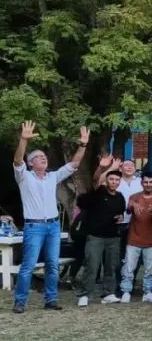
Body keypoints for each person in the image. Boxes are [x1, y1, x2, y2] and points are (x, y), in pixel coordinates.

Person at [11, 122, 89, 313]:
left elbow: (74, 164)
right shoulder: (24, 177)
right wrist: (24, 140)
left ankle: (51, 300)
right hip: (34, 227)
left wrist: (83, 145)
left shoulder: (53, 176)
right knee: (28, 266)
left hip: (53, 227)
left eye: (44, 156)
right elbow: (17, 160)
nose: (43, 158)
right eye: (38, 157)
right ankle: (20, 302)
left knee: (52, 265)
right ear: (31, 164)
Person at [75, 168, 127, 307]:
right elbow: (95, 180)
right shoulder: (98, 193)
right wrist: (104, 169)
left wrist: (120, 217)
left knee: (111, 266)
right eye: (111, 179)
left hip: (113, 237)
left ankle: (109, 293)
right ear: (106, 180)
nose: (114, 182)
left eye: (117, 180)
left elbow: (120, 212)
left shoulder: (120, 197)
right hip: (95, 237)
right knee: (91, 266)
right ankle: (85, 294)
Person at [120, 171, 152, 304]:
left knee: (150, 269)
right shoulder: (134, 197)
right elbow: (127, 209)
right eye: (146, 182)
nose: (148, 184)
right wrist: (133, 204)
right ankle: (126, 291)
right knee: (128, 267)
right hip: (134, 238)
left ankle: (148, 291)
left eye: (151, 182)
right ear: (141, 183)